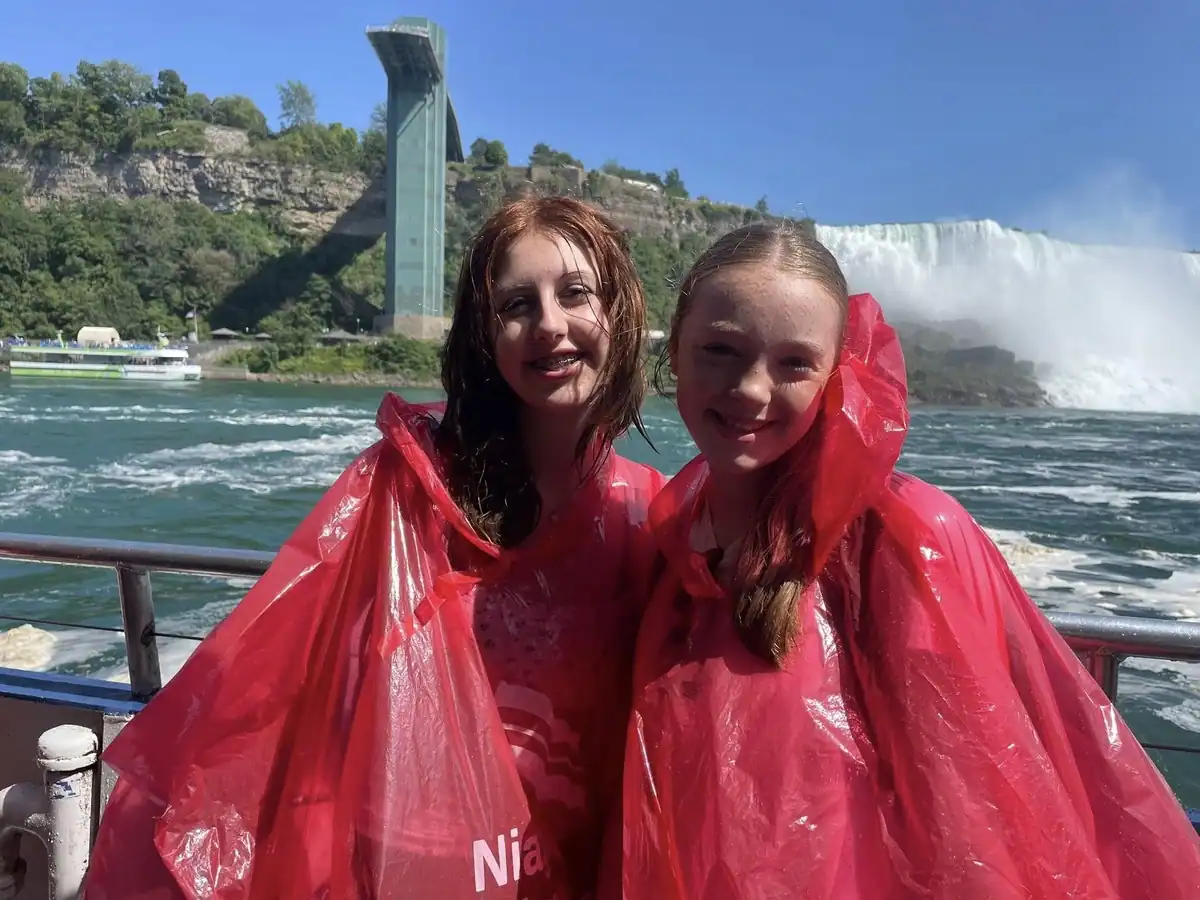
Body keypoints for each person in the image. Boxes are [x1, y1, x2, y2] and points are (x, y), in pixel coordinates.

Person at [84, 196, 665, 900]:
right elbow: (278, 673)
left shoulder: (651, 513)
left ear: (620, 311)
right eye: (517, 304)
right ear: (486, 335)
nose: (549, 324)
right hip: (420, 863)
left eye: (575, 294)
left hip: (578, 862)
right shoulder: (406, 491)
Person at [611, 222, 1200, 899]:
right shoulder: (668, 544)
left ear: (840, 377)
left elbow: (971, 821)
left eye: (794, 363)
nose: (750, 387)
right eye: (719, 350)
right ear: (673, 355)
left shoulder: (896, 540)